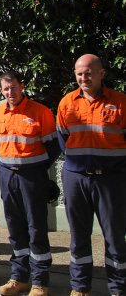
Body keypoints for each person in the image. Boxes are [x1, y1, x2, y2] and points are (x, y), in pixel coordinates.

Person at [57, 54, 126, 296]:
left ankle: (118, 288)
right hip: (76, 179)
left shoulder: (120, 102)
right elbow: (63, 139)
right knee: (78, 236)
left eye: (88, 73)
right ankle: (80, 287)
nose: (83, 78)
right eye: (79, 74)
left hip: (111, 179)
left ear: (101, 74)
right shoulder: (67, 102)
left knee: (115, 237)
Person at [0, 71, 58, 296]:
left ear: (22, 86)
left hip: (32, 177)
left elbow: (53, 146)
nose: (10, 92)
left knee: (36, 227)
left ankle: (40, 281)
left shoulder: (41, 112)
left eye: (14, 87)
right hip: (6, 175)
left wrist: (38, 168)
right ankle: (19, 277)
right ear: (1, 90)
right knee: (15, 227)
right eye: (6, 89)